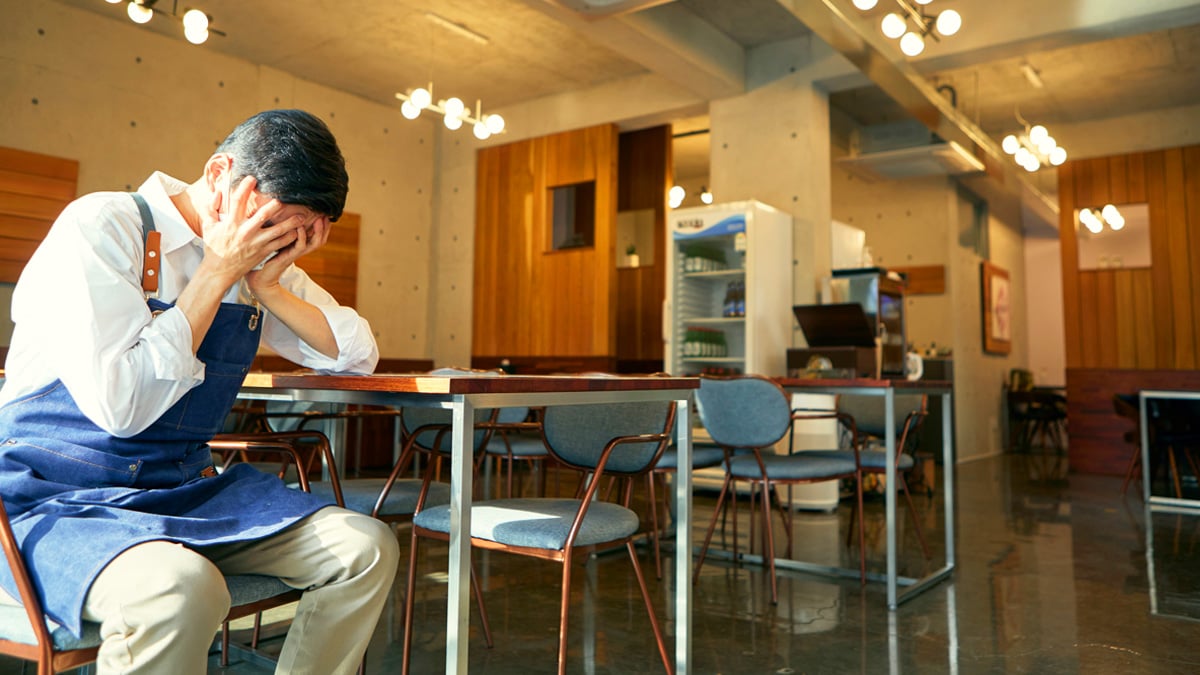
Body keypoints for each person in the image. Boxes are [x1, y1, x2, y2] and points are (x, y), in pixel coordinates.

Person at [0, 109, 399, 674]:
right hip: (54, 499)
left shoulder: (260, 262)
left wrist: (270, 286)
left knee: (366, 548)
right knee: (181, 589)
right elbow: (122, 408)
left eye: (299, 235)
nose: (280, 242)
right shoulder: (102, 226)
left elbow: (357, 355)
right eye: (275, 225)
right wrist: (217, 271)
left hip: (179, 492)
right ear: (220, 176)